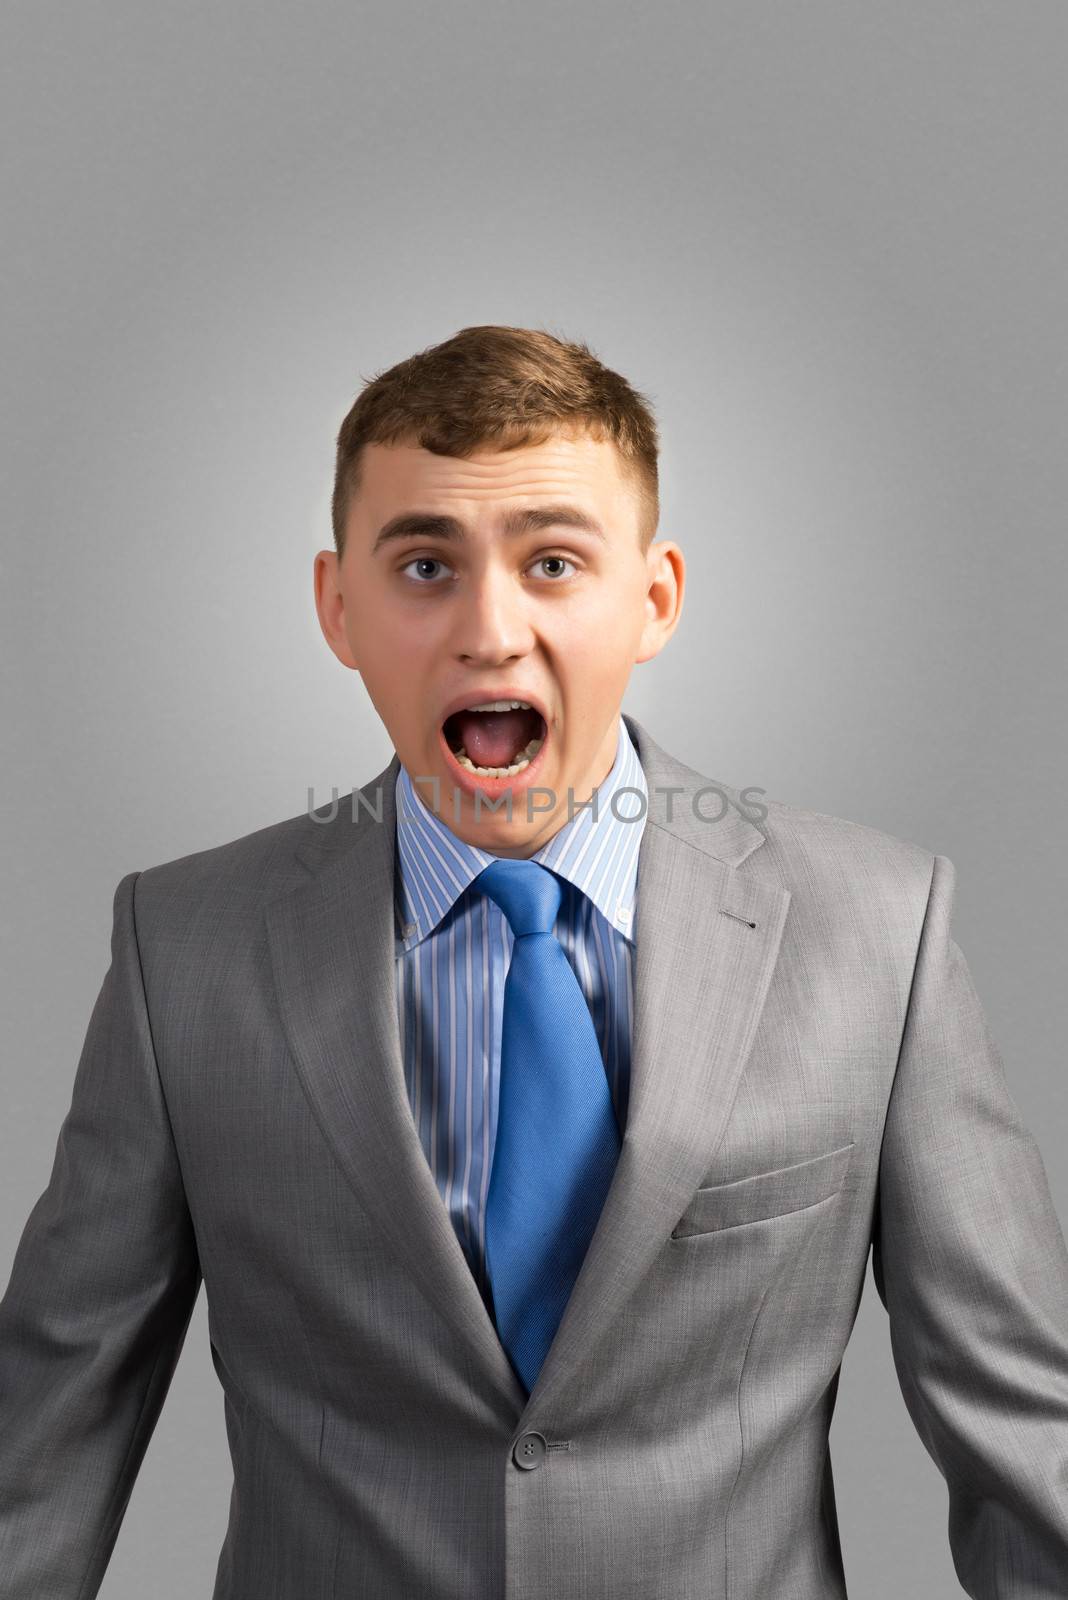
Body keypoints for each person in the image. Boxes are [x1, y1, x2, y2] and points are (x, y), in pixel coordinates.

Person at [1, 324, 1066, 1600]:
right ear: (338, 607)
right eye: (425, 565)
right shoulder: (183, 951)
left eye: (553, 561)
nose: (491, 629)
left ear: (656, 597)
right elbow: (46, 1438)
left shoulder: (882, 931)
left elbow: (1025, 1437)